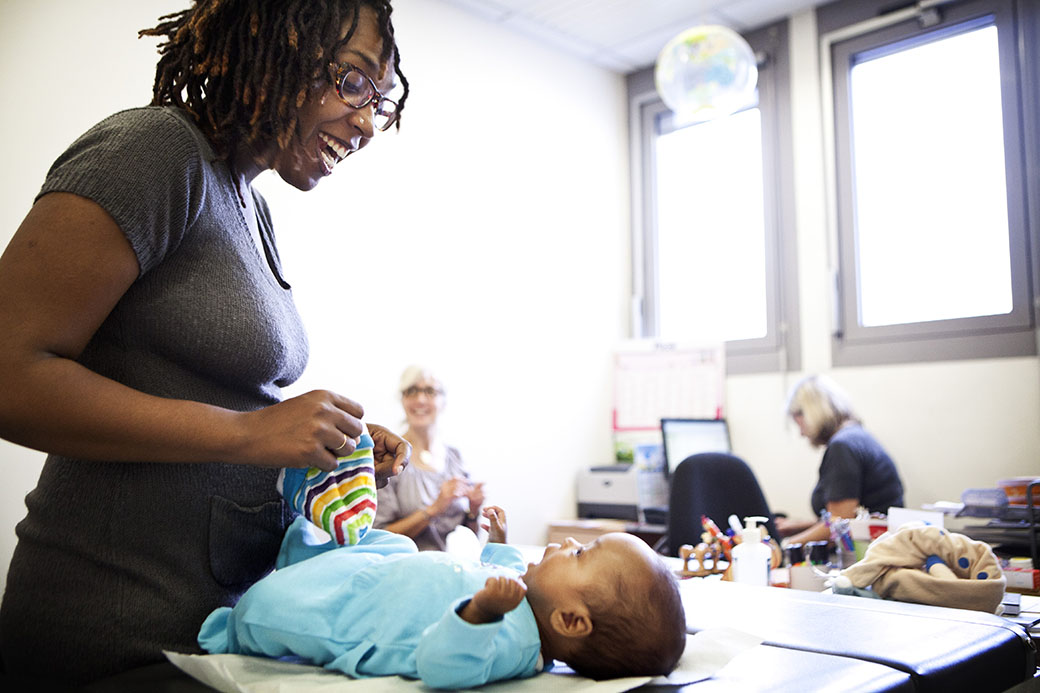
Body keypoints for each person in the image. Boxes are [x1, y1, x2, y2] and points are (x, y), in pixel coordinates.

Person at [0, 1, 412, 684]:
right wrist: (250, 434)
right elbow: (8, 372)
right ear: (280, 47)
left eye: (381, 98)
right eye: (354, 82)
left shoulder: (251, 203)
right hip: (113, 636)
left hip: (213, 639)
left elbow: (222, 400)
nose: (367, 121)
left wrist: (328, 442)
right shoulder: (155, 151)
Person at [199, 506, 687, 688]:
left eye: (580, 554)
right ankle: (309, 555)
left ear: (571, 622)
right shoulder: (530, 598)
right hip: (390, 573)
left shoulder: (511, 648)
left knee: (282, 605)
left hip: (365, 614)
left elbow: (443, 665)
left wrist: (478, 614)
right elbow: (507, 569)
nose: (562, 544)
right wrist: (498, 540)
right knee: (394, 543)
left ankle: (235, 628)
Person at [779, 374, 905, 546]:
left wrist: (783, 546)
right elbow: (855, 516)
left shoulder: (842, 447)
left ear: (810, 413)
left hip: (868, 552)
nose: (801, 433)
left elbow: (840, 524)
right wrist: (797, 526)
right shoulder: (857, 437)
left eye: (798, 423)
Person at [374, 365, 486, 550]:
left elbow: (470, 538)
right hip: (404, 570)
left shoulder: (455, 458)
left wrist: (474, 511)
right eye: (411, 391)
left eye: (430, 391)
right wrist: (434, 509)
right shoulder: (389, 457)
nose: (420, 399)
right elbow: (379, 537)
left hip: (452, 568)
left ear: (444, 401)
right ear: (402, 400)